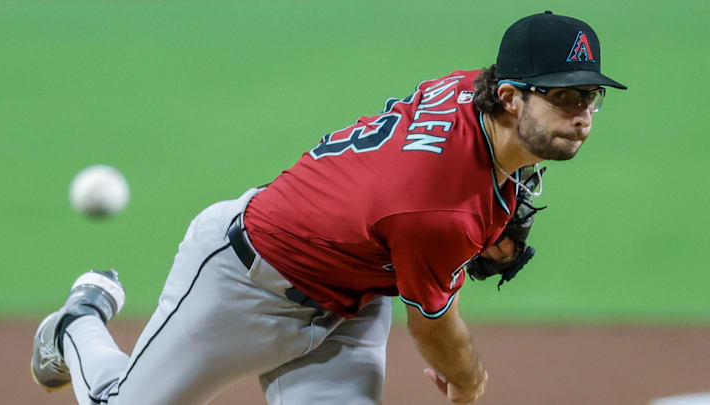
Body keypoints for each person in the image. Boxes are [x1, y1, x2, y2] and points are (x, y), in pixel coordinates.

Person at [31, 11, 626, 405]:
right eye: (564, 96)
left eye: (590, 96)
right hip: (244, 282)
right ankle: (79, 317)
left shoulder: (468, 91)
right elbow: (434, 326)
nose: (582, 114)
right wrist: (468, 384)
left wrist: (493, 203)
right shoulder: (437, 211)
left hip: (352, 300)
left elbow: (443, 175)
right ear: (508, 96)